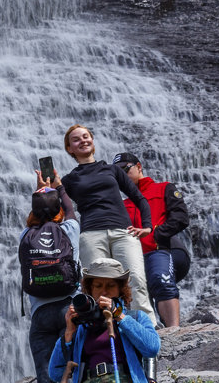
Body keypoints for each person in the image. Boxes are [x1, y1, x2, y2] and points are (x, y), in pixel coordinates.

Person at [60, 125, 155, 316]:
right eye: (76, 139)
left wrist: (147, 226)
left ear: (92, 140)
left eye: (86, 136)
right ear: (69, 149)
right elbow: (58, 209)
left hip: (123, 231)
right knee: (96, 286)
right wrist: (48, 188)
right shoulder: (69, 180)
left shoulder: (112, 170)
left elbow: (139, 198)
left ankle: (147, 330)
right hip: (90, 234)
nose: (83, 141)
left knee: (135, 279)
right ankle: (102, 331)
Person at [19, 173, 80, 383]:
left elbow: (34, 217)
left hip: (40, 313)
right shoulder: (70, 229)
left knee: (44, 376)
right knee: (68, 370)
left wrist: (39, 193)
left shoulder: (25, 236)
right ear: (59, 212)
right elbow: (71, 210)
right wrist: (58, 188)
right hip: (69, 308)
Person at [113, 153, 191, 328]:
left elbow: (181, 218)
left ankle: (174, 332)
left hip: (162, 249)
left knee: (160, 279)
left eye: (125, 169)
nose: (122, 176)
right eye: (117, 174)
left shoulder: (164, 188)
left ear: (139, 167)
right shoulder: (121, 204)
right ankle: (151, 333)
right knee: (135, 295)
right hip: (134, 257)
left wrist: (155, 234)